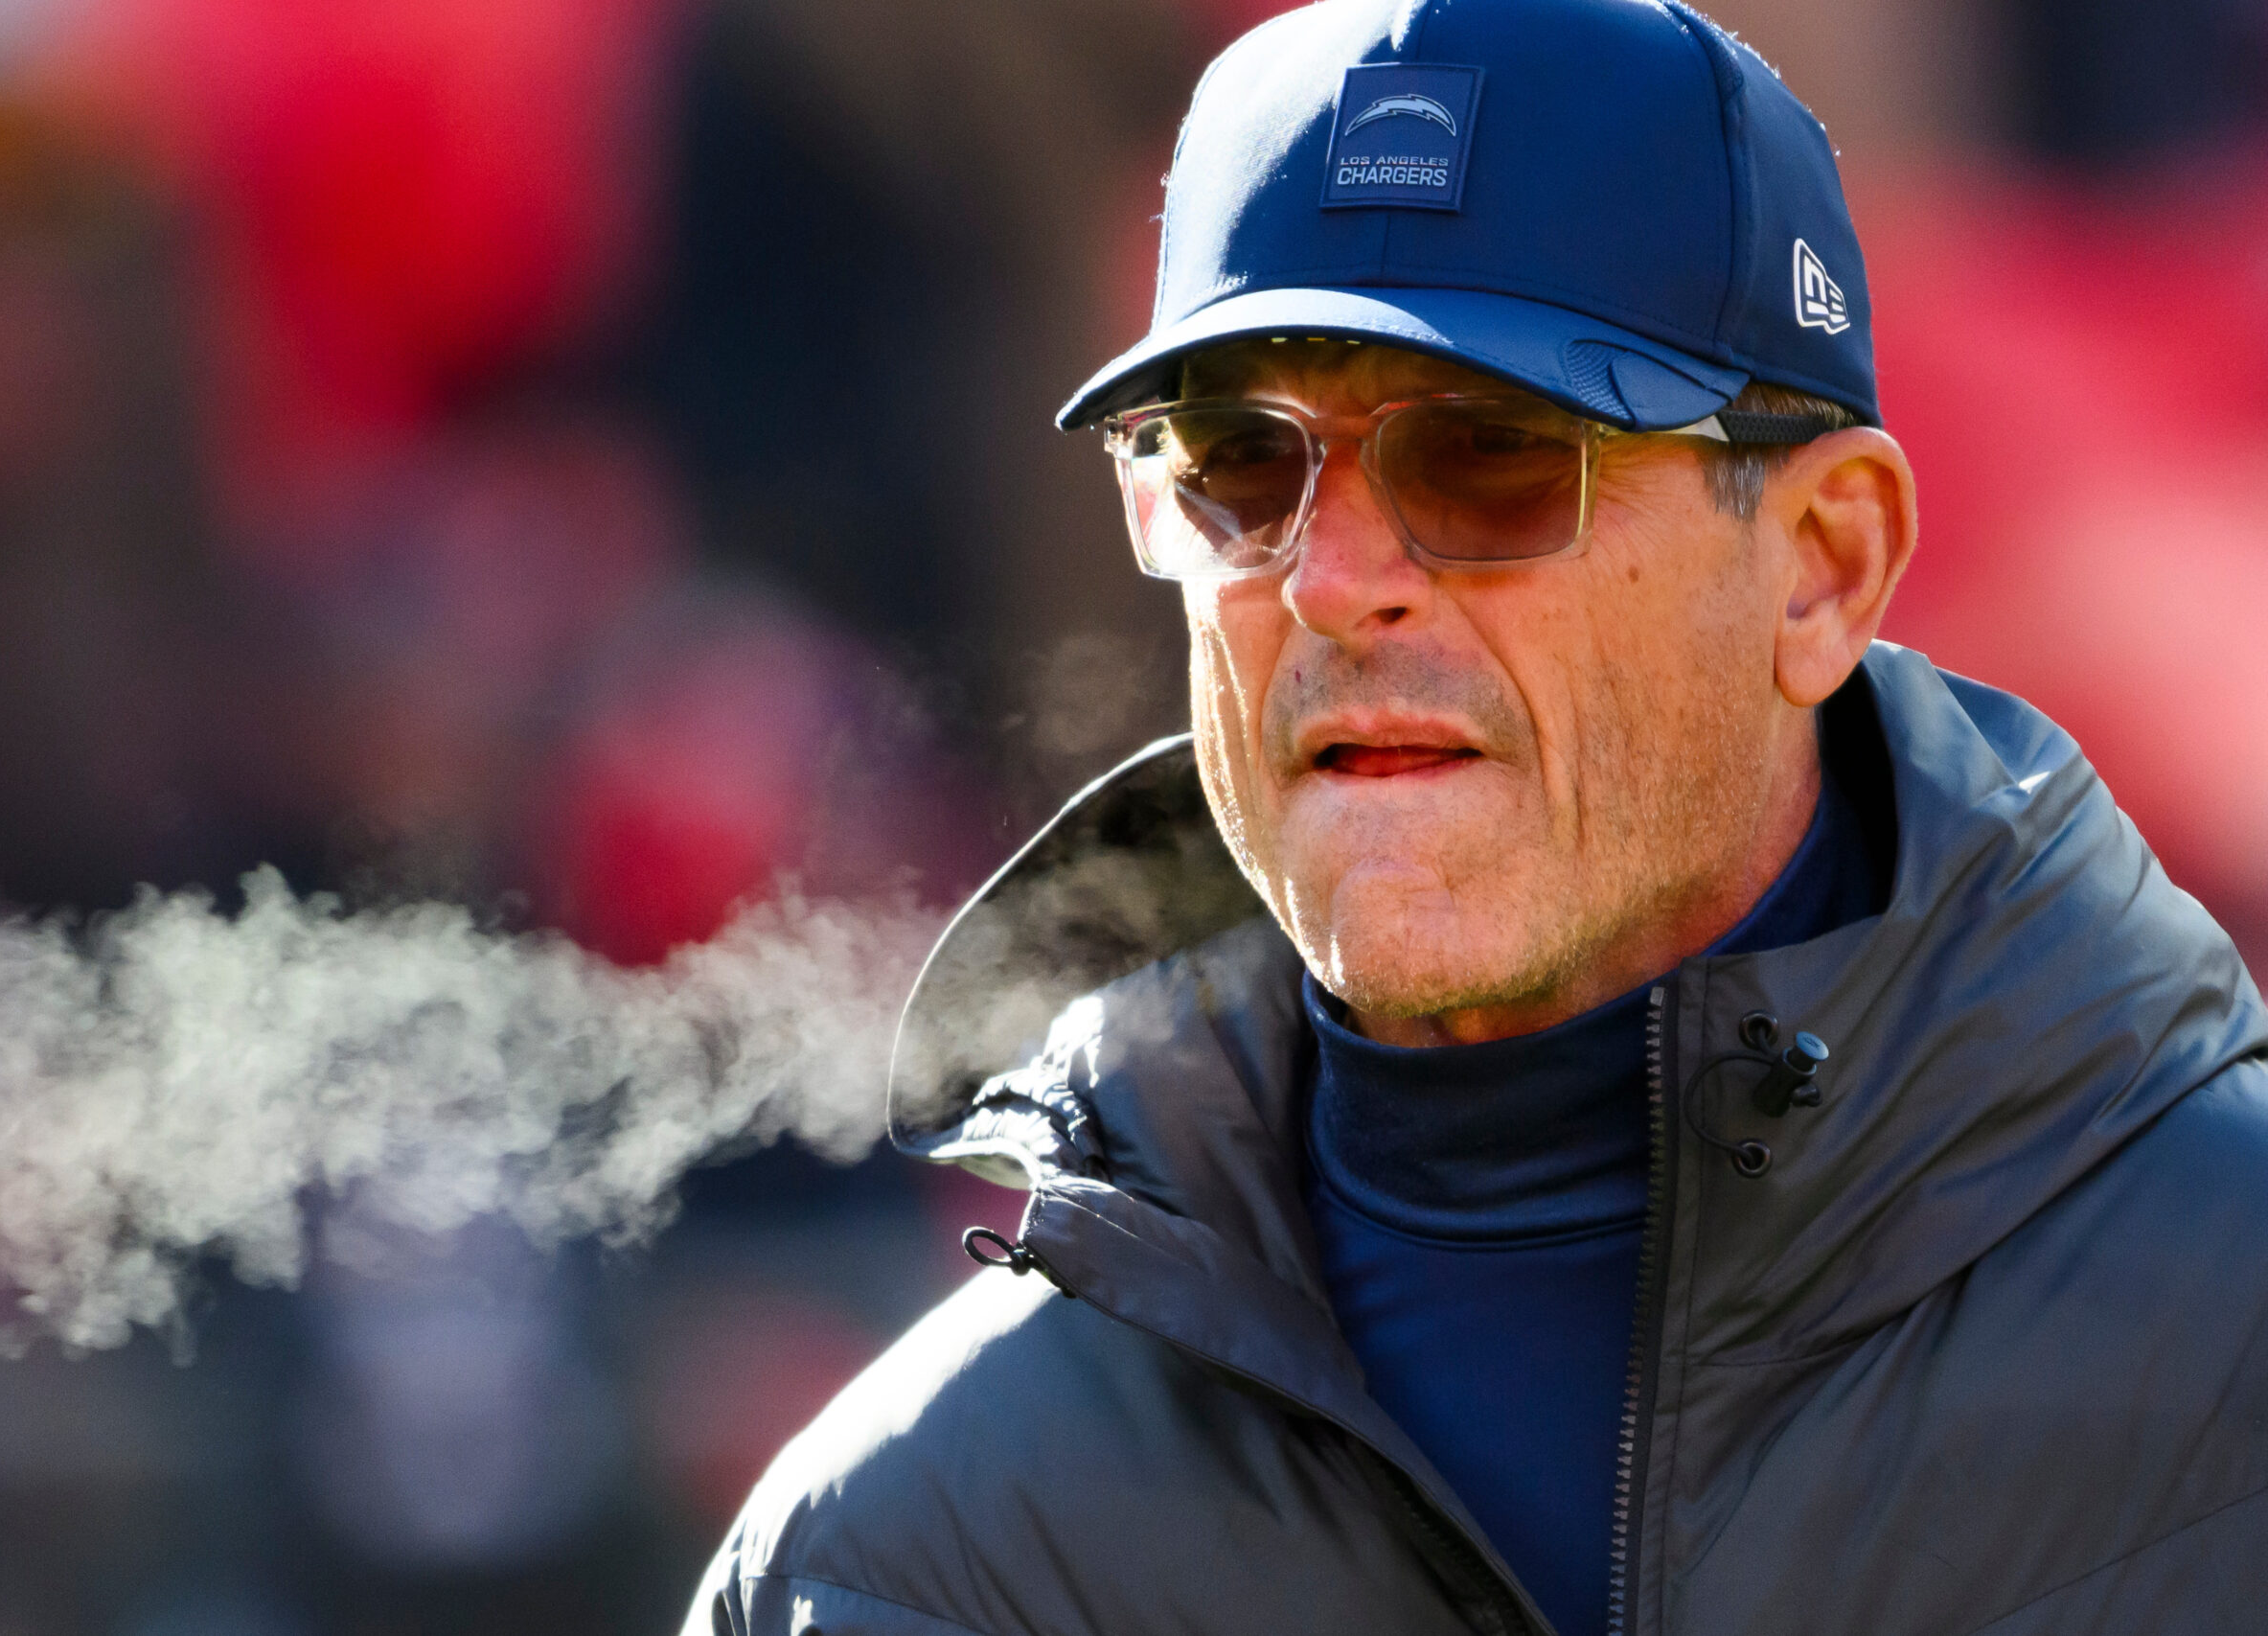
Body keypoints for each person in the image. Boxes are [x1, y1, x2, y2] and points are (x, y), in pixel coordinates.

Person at [683, 1, 2268, 1631]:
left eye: (1492, 456)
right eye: (1237, 461)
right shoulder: (888, 1550)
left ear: (1823, 566)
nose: (1329, 580)